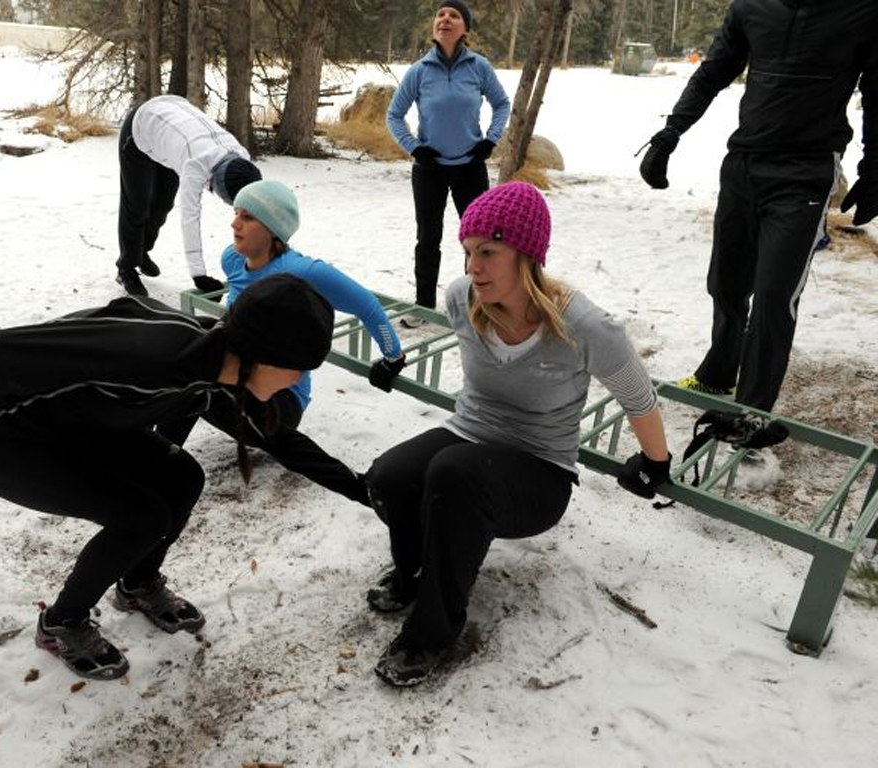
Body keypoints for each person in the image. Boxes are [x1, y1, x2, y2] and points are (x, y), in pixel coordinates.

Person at [0, 274, 334, 680]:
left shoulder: (213, 365)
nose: (297, 380)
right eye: (298, 367)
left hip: (67, 422)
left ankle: (136, 585)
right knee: (140, 515)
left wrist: (360, 486)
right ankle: (62, 623)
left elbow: (271, 438)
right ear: (263, 354)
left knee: (182, 478)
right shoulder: (164, 353)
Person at [364, 182, 672, 687]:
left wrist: (656, 464)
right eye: (467, 252)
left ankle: (432, 634)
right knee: (392, 476)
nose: (472, 267)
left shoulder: (586, 326)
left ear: (526, 255)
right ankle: (416, 574)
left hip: (539, 471)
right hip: (470, 435)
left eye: (488, 252)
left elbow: (639, 397)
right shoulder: (463, 298)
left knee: (454, 474)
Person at [638, 0, 878, 413]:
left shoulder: (862, 12)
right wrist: (670, 133)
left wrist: (874, 165)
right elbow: (712, 72)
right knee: (726, 284)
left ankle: (750, 413)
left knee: (773, 296)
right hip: (743, 166)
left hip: (804, 173)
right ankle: (718, 374)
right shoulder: (752, 6)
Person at [158, 179, 406, 502]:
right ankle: (160, 454)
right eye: (236, 213)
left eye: (247, 217)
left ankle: (358, 487)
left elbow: (367, 305)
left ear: (273, 229)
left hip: (280, 400)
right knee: (188, 369)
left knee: (200, 379)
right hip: (236, 380)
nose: (235, 223)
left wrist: (392, 357)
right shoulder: (232, 260)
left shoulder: (304, 272)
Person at [386, 1, 510, 328]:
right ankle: (424, 306)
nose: (445, 19)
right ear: (434, 27)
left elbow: (501, 104)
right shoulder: (419, 71)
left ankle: (477, 303)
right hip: (430, 169)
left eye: (453, 15)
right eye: (440, 14)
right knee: (428, 237)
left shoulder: (479, 67)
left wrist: (490, 140)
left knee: (479, 240)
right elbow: (394, 115)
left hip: (471, 166)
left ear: (464, 29)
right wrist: (414, 148)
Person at [116, 94, 262, 298]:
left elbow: (259, 204)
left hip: (171, 132)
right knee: (137, 205)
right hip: (141, 128)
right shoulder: (195, 165)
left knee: (162, 205)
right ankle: (127, 268)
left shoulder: (242, 158)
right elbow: (190, 218)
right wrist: (199, 275)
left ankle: (141, 253)